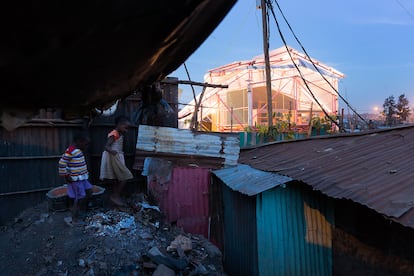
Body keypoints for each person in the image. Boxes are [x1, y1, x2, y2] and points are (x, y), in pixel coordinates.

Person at [58, 131, 92, 224]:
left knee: (89, 190)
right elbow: (62, 163)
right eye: (85, 144)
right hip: (76, 179)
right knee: (80, 197)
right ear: (79, 142)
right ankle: (75, 217)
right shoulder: (71, 151)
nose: (86, 147)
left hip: (82, 178)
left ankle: (83, 209)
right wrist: (65, 175)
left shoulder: (78, 150)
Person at [100, 115, 133, 206]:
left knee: (117, 178)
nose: (126, 130)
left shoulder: (118, 134)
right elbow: (106, 146)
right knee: (126, 176)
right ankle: (115, 195)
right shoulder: (114, 134)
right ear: (119, 125)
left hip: (117, 156)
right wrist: (113, 152)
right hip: (114, 156)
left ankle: (116, 196)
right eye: (125, 127)